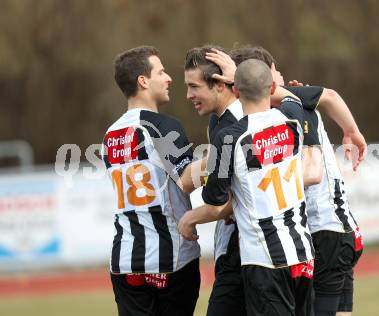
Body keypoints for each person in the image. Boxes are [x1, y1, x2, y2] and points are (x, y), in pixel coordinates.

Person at [179, 59, 322, 316]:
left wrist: (188, 219)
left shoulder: (229, 138)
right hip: (302, 252)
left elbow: (215, 202)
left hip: (265, 259)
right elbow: (290, 98)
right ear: (271, 88)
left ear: (235, 92)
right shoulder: (293, 117)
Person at [229, 46, 366, 316]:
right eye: (276, 69)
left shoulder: (291, 105)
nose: (280, 74)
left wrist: (351, 131)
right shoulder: (286, 112)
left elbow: (330, 96)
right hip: (338, 228)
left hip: (325, 230)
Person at [101, 45, 203, 316]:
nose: (168, 78)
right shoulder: (160, 126)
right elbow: (187, 181)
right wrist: (224, 152)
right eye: (161, 71)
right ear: (143, 81)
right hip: (171, 260)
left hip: (125, 261)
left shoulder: (110, 135)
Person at [184, 45, 246, 316]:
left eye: (194, 86)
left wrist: (190, 217)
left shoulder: (245, 122)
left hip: (248, 252)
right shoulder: (217, 122)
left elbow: (240, 196)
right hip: (233, 249)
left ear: (220, 84)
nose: (189, 95)